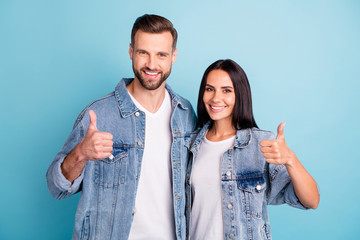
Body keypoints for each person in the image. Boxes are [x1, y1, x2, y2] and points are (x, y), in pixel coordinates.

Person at [46, 14, 196, 240]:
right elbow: (56, 187)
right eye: (143, 52)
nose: (152, 64)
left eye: (161, 55)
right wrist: (81, 153)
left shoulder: (185, 113)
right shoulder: (99, 114)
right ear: (130, 51)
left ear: (173, 56)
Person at [185, 59, 319, 240]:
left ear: (240, 95)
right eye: (210, 89)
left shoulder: (260, 144)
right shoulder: (190, 145)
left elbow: (311, 200)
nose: (216, 98)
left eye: (226, 90)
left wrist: (290, 159)